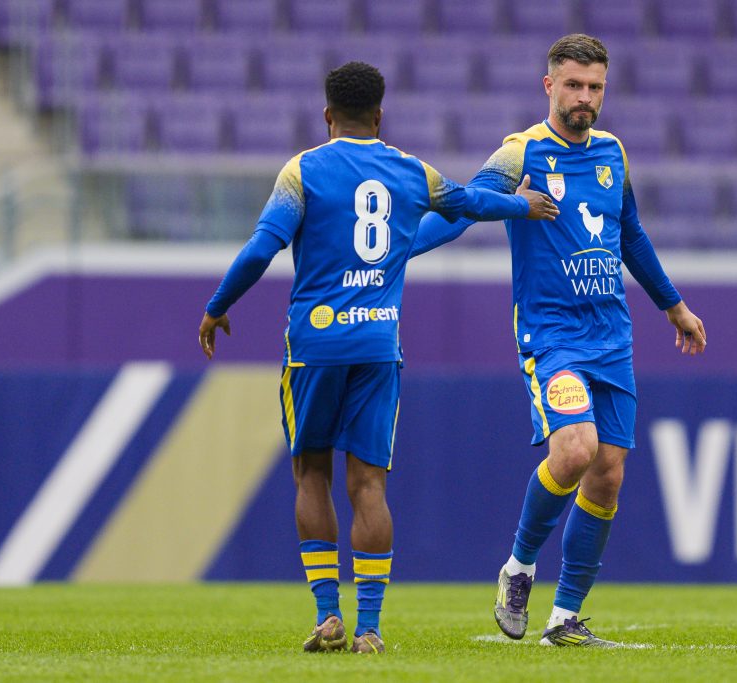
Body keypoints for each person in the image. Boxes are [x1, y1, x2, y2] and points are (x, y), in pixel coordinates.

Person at [198, 61, 558, 655]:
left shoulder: (302, 171)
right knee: (368, 484)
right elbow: (468, 204)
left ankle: (327, 616)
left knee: (311, 473)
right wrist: (522, 206)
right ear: (380, 115)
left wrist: (217, 307)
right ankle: (369, 627)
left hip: (314, 348)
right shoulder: (412, 171)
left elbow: (262, 248)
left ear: (327, 115)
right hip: (377, 346)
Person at [412, 34, 707, 647]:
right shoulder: (520, 153)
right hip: (552, 336)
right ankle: (518, 569)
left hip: (612, 337)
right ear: (549, 86)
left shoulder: (613, 153)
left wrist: (673, 305)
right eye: (573, 85)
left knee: (608, 473)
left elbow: (630, 234)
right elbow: (463, 207)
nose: (585, 98)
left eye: (595, 87)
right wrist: (393, 253)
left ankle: (564, 619)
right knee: (574, 451)